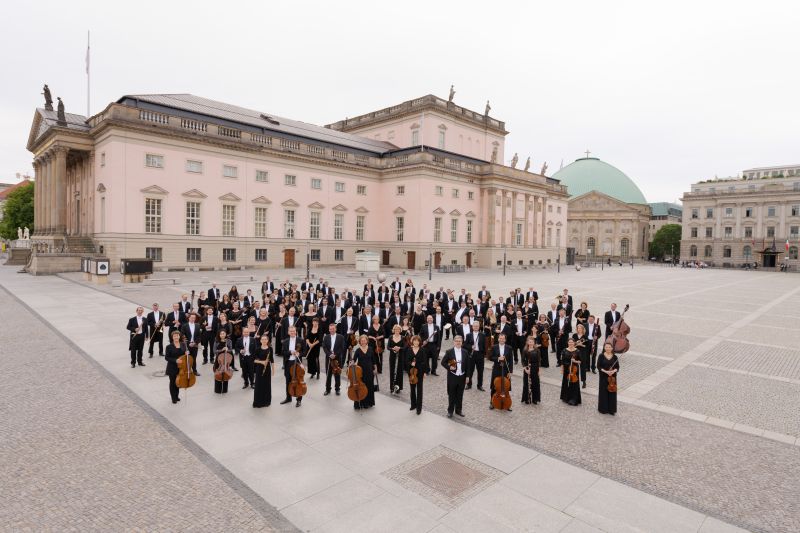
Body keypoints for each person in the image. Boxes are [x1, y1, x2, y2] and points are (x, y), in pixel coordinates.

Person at [280, 326, 307, 407]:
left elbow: (304, 352)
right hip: (288, 363)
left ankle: (299, 400)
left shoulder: (301, 340)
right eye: (291, 331)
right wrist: (290, 352)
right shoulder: (285, 341)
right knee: (288, 381)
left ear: (296, 331)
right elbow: (283, 352)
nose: (292, 332)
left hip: (297, 364)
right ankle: (288, 398)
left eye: (294, 331)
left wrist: (300, 354)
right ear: (288, 332)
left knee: (298, 380)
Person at [441, 336, 467, 418]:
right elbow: (443, 362)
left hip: (462, 376)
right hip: (452, 376)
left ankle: (458, 410)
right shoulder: (449, 352)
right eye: (456, 341)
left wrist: (468, 376)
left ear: (462, 342)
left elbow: (468, 365)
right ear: (454, 342)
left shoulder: (465, 352)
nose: (458, 342)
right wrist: (449, 367)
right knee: (451, 394)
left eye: (460, 341)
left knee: (460, 394)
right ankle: (450, 411)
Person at [351, 335, 376, 409]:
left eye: (364, 340)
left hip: (369, 371)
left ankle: (368, 403)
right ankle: (361, 403)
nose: (363, 342)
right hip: (360, 372)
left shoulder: (371, 349)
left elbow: (373, 360)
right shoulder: (358, 350)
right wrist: (351, 362)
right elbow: (354, 360)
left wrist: (375, 369)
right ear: (360, 342)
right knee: (361, 387)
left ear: (367, 341)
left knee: (369, 387)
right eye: (362, 341)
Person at [489, 333, 513, 411]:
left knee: (506, 387)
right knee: (494, 386)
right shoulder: (494, 347)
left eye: (503, 338)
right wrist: (498, 358)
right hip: (496, 369)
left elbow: (511, 361)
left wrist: (510, 371)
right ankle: (492, 402)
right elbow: (490, 357)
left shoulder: (509, 348)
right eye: (500, 338)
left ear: (505, 339)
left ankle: (507, 404)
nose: (502, 340)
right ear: (498, 339)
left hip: (506, 370)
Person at [405, 336, 427, 414]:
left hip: (420, 372)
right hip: (411, 372)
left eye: (418, 341)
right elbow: (406, 361)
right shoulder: (409, 350)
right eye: (415, 341)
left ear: (419, 342)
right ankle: (413, 405)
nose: (416, 342)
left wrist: (424, 372)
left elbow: (425, 362)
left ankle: (419, 408)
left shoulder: (422, 350)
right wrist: (411, 363)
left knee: (419, 390)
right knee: (412, 389)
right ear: (412, 341)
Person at [322, 322, 346, 396]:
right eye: (330, 329)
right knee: (328, 374)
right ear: (329, 330)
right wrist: (329, 354)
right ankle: (327, 389)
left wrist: (335, 355)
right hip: (329, 358)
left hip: (337, 358)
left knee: (337, 373)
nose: (331, 330)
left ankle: (337, 389)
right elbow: (324, 347)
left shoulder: (341, 337)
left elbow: (342, 348)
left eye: (333, 329)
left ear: (335, 329)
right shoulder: (326, 337)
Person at [164, 330, 186, 404]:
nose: (176, 337)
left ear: (179, 336)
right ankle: (173, 398)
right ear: (172, 337)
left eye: (177, 335)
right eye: (174, 336)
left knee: (178, 382)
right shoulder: (169, 347)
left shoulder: (183, 344)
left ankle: (177, 396)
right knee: (173, 383)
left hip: (181, 368)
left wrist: (187, 353)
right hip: (172, 367)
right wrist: (175, 360)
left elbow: (185, 353)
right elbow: (167, 357)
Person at [597, 342, 619, 415]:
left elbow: (617, 367)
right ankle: (603, 409)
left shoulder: (615, 357)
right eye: (606, 347)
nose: (608, 348)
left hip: (612, 378)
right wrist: (606, 371)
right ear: (604, 348)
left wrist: (613, 371)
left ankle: (612, 409)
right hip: (603, 377)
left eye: (609, 347)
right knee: (603, 392)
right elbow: (598, 366)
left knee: (612, 392)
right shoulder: (601, 356)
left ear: (612, 348)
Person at [559, 338, 581, 406]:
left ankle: (573, 399)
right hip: (566, 369)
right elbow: (562, 361)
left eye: (572, 342)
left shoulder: (577, 351)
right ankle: (566, 397)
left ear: (574, 343)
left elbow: (580, 361)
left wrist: (575, 361)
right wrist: (562, 369)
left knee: (574, 384)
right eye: (569, 342)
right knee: (566, 383)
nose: (571, 343)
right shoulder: (564, 350)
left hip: (574, 370)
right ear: (568, 343)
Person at [252, 334, 273, 408]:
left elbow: (272, 360)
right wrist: (262, 362)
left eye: (265, 339)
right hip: (259, 369)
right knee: (259, 384)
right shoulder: (258, 349)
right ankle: (258, 402)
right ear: (260, 340)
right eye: (262, 339)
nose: (264, 341)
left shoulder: (270, 349)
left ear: (267, 340)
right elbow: (254, 360)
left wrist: (273, 370)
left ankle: (266, 401)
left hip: (267, 369)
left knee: (267, 385)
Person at [465, 321, 486, 391]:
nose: (476, 327)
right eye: (474, 326)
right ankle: (469, 384)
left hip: (480, 355)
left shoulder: (482, 335)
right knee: (470, 371)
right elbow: (464, 345)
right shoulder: (468, 335)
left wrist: (483, 355)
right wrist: (471, 347)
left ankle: (479, 385)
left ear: (479, 327)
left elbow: (484, 346)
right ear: (472, 327)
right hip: (471, 355)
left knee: (480, 371)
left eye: (477, 326)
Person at [521, 335, 541, 405]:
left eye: (532, 342)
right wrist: (525, 369)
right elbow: (523, 360)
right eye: (529, 342)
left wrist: (539, 370)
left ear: (534, 342)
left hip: (535, 368)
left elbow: (539, 361)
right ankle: (527, 398)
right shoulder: (525, 350)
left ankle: (535, 399)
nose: (531, 343)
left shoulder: (537, 350)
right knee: (527, 383)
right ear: (527, 342)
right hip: (527, 368)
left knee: (535, 383)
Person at [180, 312, 201, 376]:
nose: (193, 319)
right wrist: (188, 343)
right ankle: (186, 371)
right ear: (189, 318)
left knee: (194, 359)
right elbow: (182, 335)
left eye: (194, 318)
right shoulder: (184, 326)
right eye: (191, 318)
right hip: (187, 345)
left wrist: (195, 343)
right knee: (187, 358)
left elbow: (199, 336)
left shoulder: (197, 325)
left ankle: (194, 371)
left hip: (194, 345)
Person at [213, 330, 233, 394]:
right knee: (218, 373)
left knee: (226, 373)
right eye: (221, 334)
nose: (222, 335)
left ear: (226, 334)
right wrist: (221, 350)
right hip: (219, 360)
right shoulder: (216, 341)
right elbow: (214, 351)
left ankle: (224, 389)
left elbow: (231, 350)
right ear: (219, 335)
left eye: (223, 333)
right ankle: (218, 389)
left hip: (227, 360)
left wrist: (228, 350)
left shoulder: (229, 341)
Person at [387, 324, 405, 394]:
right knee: (392, 371)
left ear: (400, 330)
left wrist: (399, 348)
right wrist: (393, 348)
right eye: (396, 329)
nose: (397, 330)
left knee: (399, 372)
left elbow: (405, 347)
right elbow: (388, 347)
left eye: (398, 329)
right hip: (392, 356)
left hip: (400, 357)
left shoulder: (403, 337)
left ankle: (398, 388)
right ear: (394, 330)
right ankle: (392, 387)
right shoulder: (391, 337)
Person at [573, 323, 590, 388]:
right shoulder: (574, 335)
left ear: (583, 329)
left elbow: (587, 346)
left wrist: (581, 345)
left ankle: (584, 381)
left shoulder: (585, 337)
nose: (579, 329)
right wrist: (576, 344)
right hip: (575, 352)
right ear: (577, 329)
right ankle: (575, 379)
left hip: (582, 353)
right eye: (578, 328)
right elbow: (571, 344)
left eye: (580, 328)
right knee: (575, 367)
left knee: (583, 368)